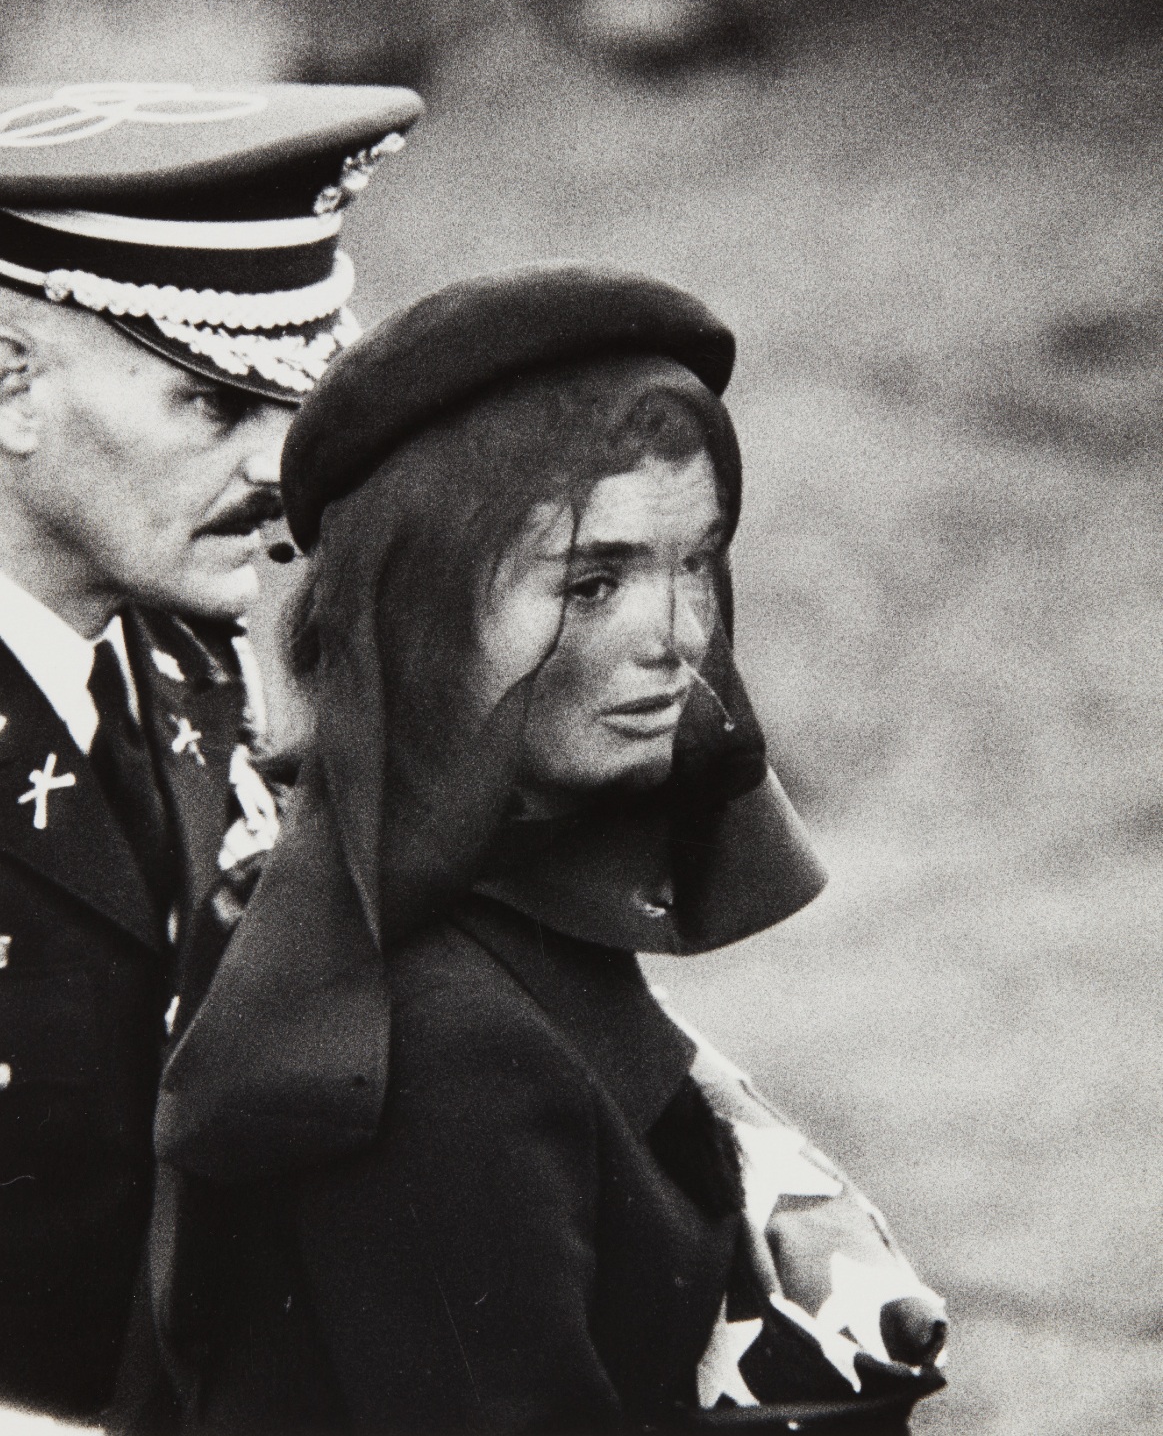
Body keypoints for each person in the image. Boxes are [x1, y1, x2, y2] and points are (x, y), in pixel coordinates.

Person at [153, 265, 946, 1433]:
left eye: (694, 562)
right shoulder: (437, 1040)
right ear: (419, 615)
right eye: (592, 581)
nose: (674, 636)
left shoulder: (470, 915)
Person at [0, 79, 423, 1421]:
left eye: (290, 399)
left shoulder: (192, 654)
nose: (281, 471)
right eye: (210, 402)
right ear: (9, 383)